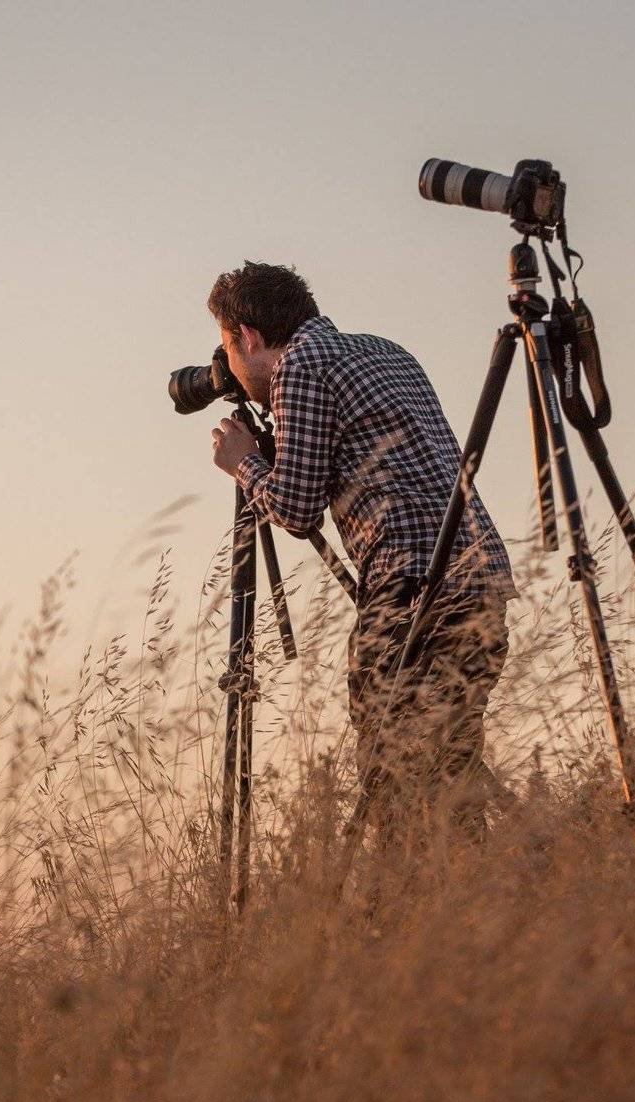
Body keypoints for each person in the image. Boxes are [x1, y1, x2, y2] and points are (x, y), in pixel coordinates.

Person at [205, 261, 515, 838]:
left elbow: (296, 509)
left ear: (246, 336)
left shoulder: (299, 364)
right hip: (481, 580)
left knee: (396, 783)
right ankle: (496, 897)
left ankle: (419, 913)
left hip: (412, 590)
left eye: (228, 346)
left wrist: (243, 463)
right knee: (449, 771)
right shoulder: (386, 351)